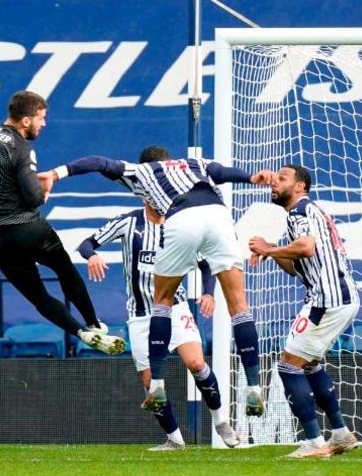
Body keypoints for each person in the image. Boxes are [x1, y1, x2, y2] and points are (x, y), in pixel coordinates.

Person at [41, 145, 273, 415]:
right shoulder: (194, 163)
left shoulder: (142, 171)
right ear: (170, 159)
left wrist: (56, 174)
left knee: (162, 302)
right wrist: (250, 177)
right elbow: (221, 172)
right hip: (218, 217)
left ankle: (158, 384)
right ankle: (254, 386)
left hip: (182, 219)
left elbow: (99, 161)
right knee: (239, 307)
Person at [0, 91, 124, 354]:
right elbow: (33, 198)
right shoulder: (20, 147)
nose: (43, 124)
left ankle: (81, 333)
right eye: (41, 118)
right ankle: (93, 323)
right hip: (26, 229)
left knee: (39, 297)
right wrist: (45, 190)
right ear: (25, 121)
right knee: (64, 268)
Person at [78, 198, 242, 450]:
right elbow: (86, 243)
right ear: (145, 196)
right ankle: (175, 439)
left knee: (196, 363)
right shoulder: (129, 222)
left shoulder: (181, 227)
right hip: (141, 316)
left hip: (175, 309)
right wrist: (92, 256)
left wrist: (208, 293)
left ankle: (221, 422)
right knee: (149, 382)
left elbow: (206, 265)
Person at [248, 164, 360, 458]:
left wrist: (269, 249)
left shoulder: (300, 211)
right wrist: (272, 250)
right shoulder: (309, 213)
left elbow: (306, 248)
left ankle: (314, 441)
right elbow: (297, 267)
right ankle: (340, 434)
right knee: (309, 365)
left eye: (282, 179)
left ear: (300, 186)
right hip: (340, 297)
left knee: (288, 366)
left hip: (326, 299)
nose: (274, 183)